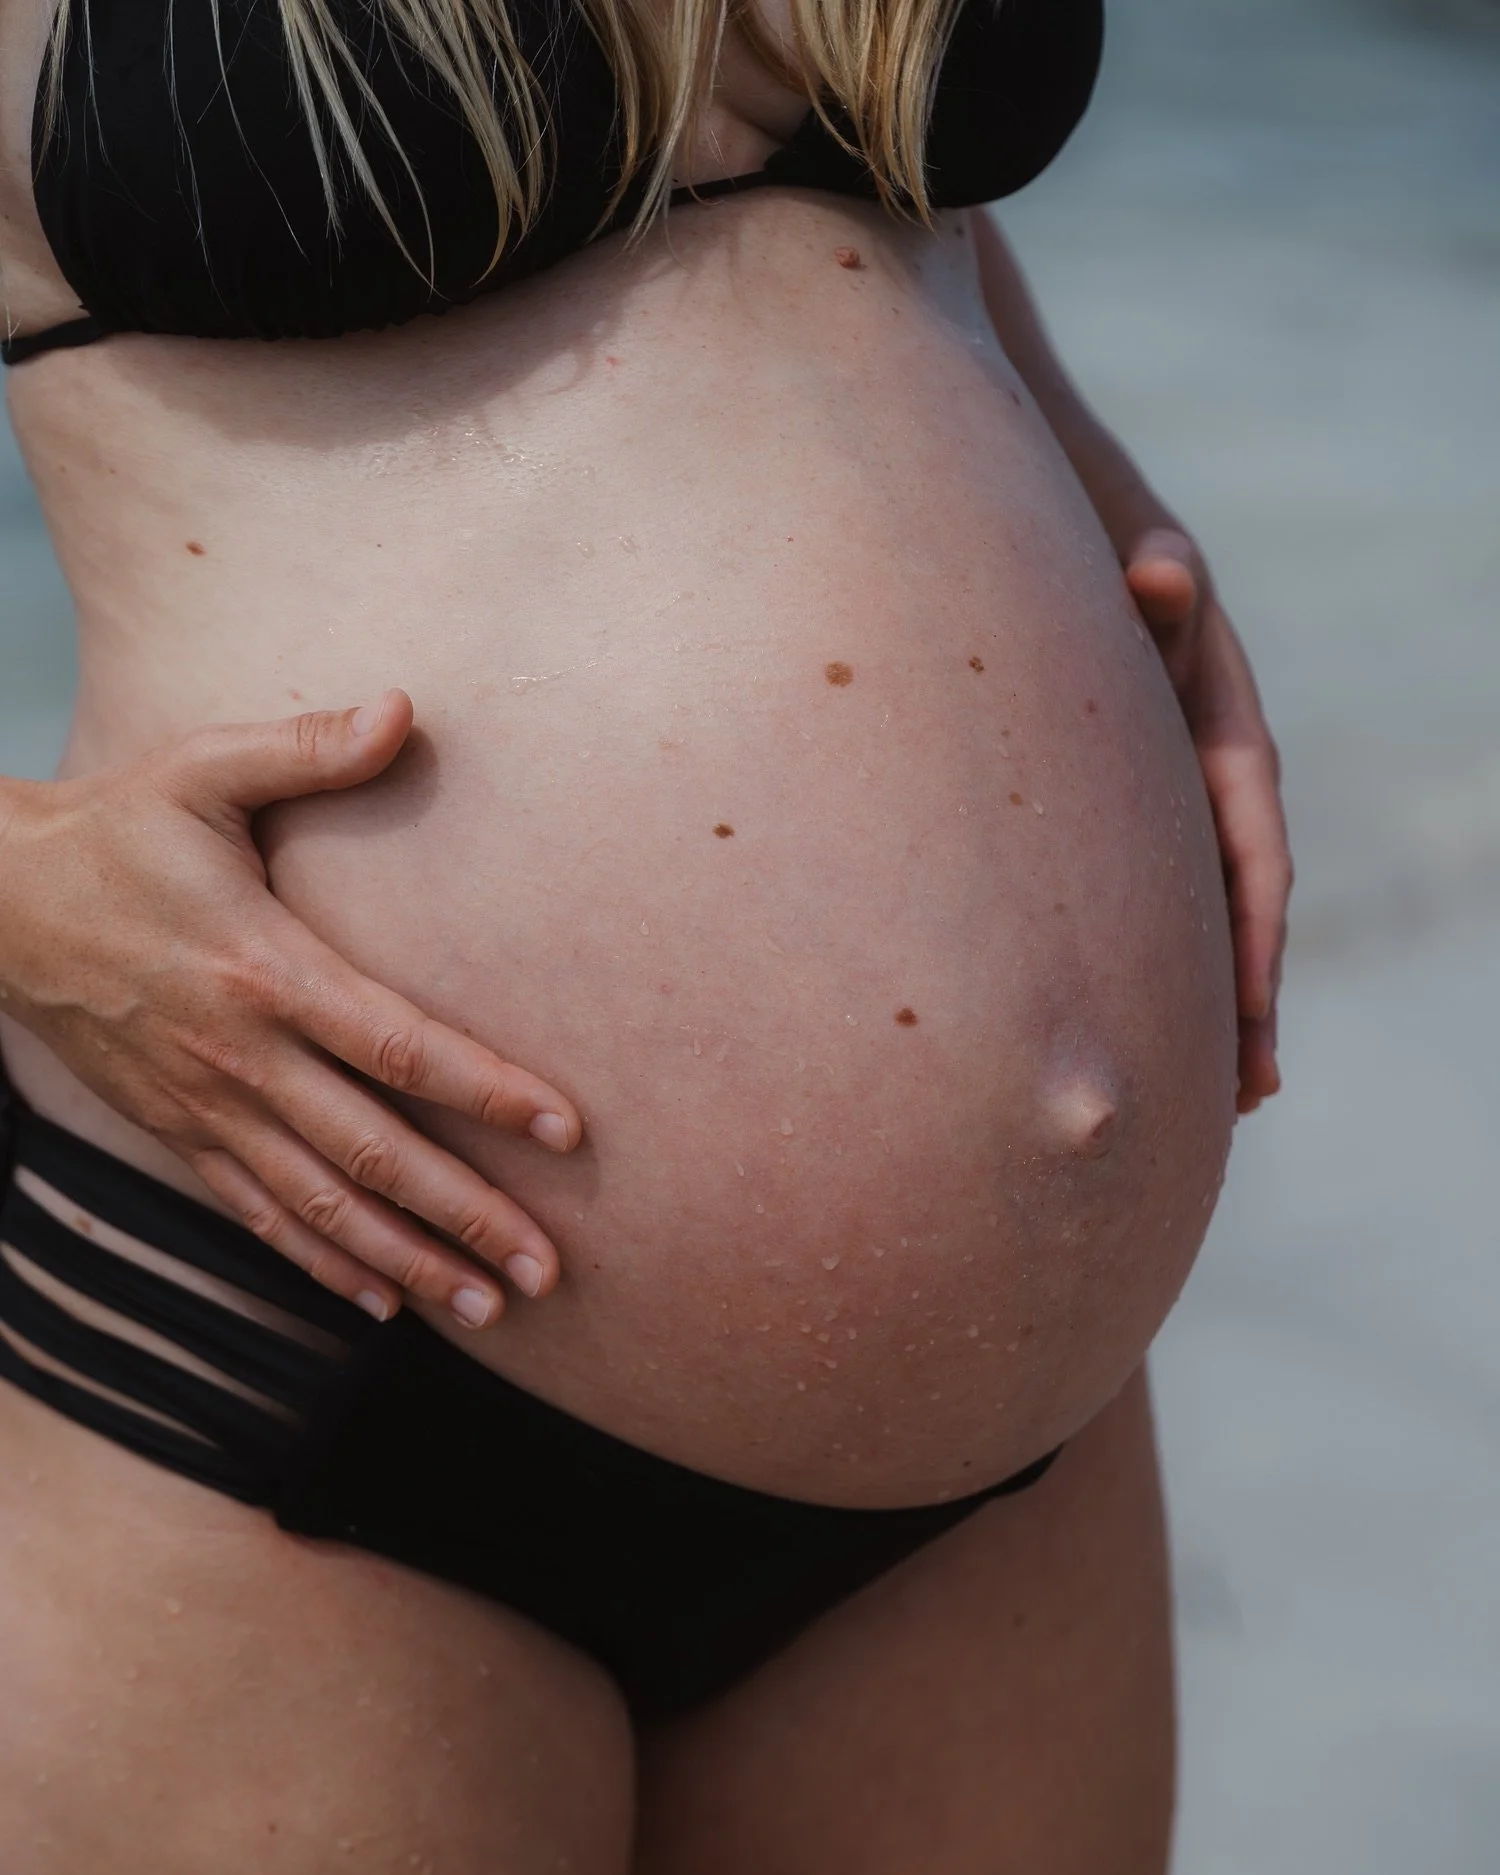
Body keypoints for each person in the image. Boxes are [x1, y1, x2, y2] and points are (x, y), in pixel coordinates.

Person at [0, 0, 1291, 1863]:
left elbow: (844, 206)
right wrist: (31, 898)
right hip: (307, 1337)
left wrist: (1095, 488)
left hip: (1007, 1453)